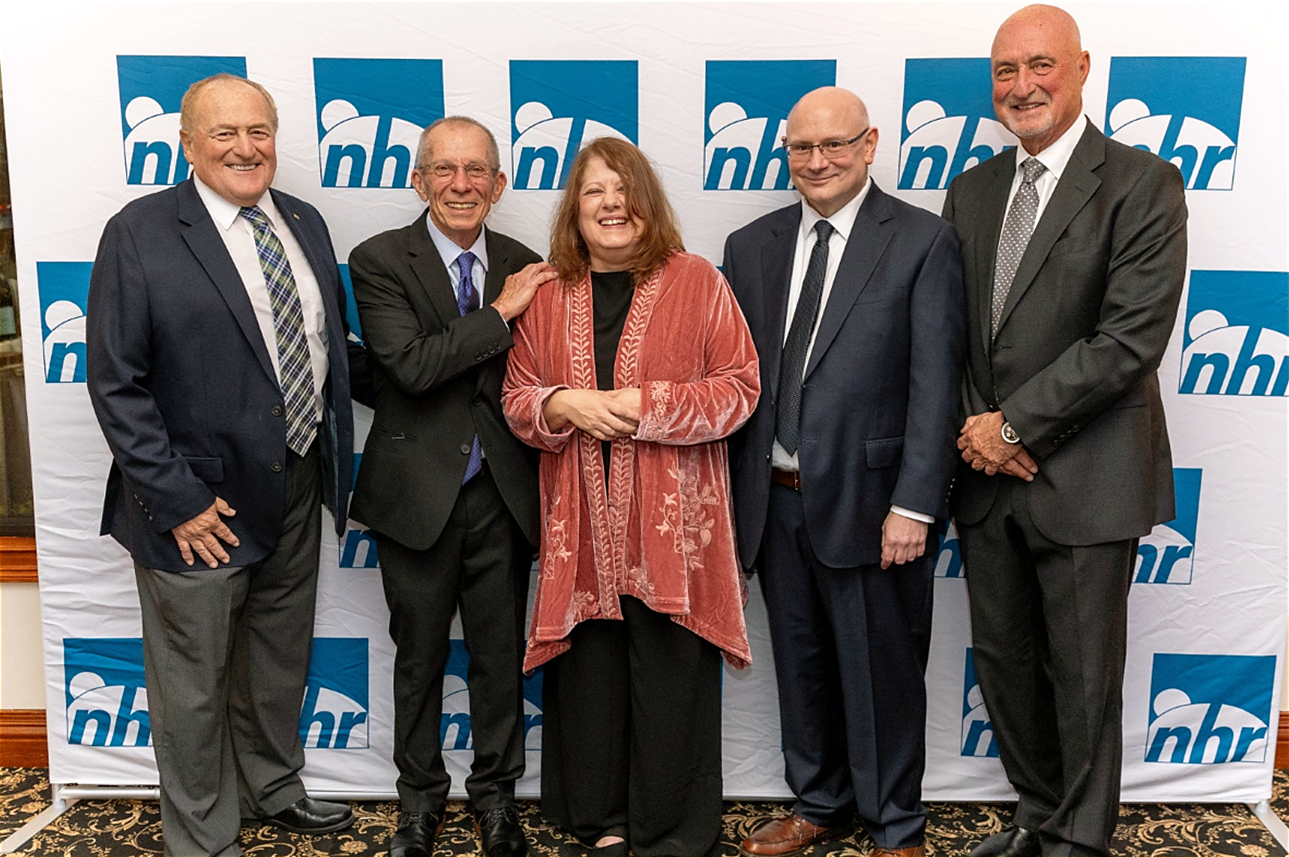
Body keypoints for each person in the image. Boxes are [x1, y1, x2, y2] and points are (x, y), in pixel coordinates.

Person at [86, 73, 357, 856]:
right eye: (224, 133)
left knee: (277, 659)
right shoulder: (139, 231)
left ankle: (273, 787)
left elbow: (325, 351)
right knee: (193, 682)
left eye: (259, 131)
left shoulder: (303, 220)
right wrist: (176, 501)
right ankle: (203, 836)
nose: (245, 147)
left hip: (295, 481)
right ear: (187, 143)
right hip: (195, 502)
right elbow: (116, 381)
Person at [943, 6, 1188, 856]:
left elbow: (1128, 338)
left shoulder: (1141, 182)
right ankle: (1035, 817)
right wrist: (980, 433)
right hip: (985, 483)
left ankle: (1079, 842)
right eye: (1005, 73)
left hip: (1085, 476)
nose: (1021, 86)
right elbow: (954, 332)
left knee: (1082, 678)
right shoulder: (970, 191)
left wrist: (1012, 425)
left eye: (1039, 65)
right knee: (1006, 668)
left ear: (1081, 67)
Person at [502, 137, 759, 857]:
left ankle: (671, 830)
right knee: (591, 674)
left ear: (648, 202)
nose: (611, 204)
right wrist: (565, 404)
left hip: (673, 531)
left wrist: (644, 403)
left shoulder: (697, 281)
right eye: (594, 192)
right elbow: (517, 397)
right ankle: (602, 819)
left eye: (624, 190)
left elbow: (739, 389)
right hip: (578, 525)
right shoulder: (549, 294)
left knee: (671, 674)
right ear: (574, 210)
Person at [724, 87, 964, 857]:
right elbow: (738, 384)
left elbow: (936, 385)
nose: (817, 161)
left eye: (835, 144)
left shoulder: (923, 240)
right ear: (785, 151)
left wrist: (916, 505)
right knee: (800, 666)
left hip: (875, 504)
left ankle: (897, 824)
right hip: (775, 502)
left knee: (882, 674)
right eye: (801, 147)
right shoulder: (750, 245)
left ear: (870, 145)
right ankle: (819, 801)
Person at [347, 116, 556, 857]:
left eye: (476, 171)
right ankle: (418, 804)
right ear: (418, 179)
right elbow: (408, 367)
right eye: (443, 169)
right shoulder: (376, 260)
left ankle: (496, 800)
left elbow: (532, 382)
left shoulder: (528, 261)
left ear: (499, 185)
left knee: (500, 658)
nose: (460, 184)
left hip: (503, 493)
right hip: (414, 498)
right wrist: (501, 313)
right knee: (419, 657)